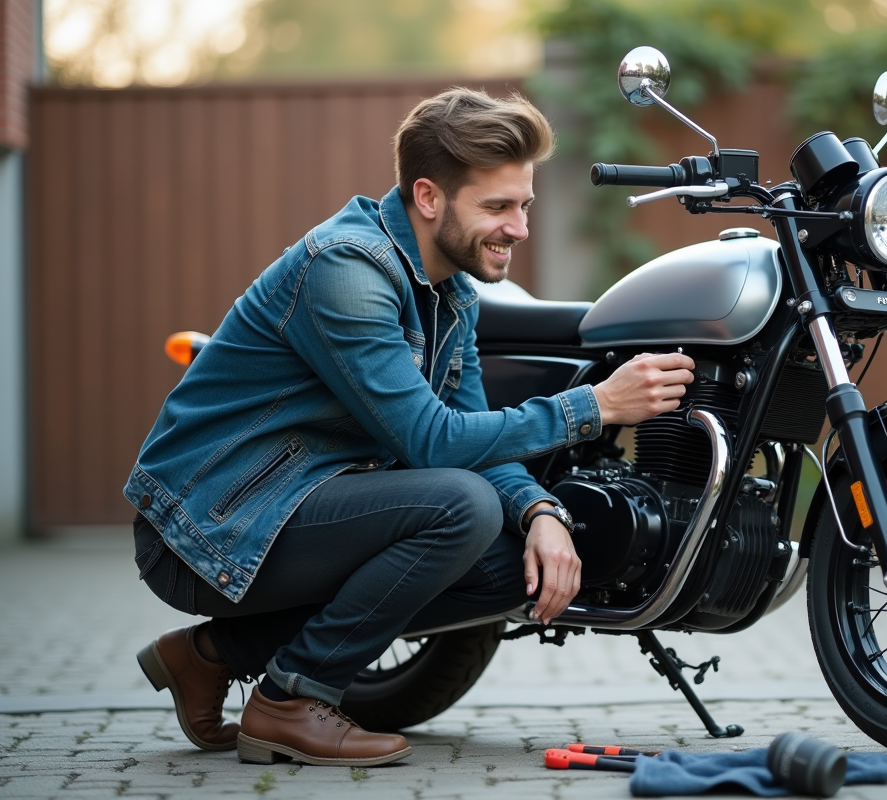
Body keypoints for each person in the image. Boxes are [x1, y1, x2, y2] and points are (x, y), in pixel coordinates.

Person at [125, 87, 694, 767]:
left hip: (296, 506)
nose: (519, 228)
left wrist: (541, 512)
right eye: (497, 207)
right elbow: (432, 440)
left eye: (524, 206)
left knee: (517, 562)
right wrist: (594, 407)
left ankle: (210, 656)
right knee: (462, 506)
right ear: (428, 197)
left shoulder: (452, 293)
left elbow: (474, 429)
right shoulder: (345, 269)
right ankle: (289, 701)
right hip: (207, 528)